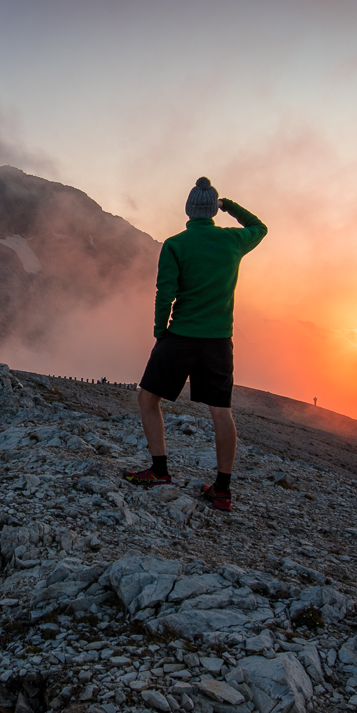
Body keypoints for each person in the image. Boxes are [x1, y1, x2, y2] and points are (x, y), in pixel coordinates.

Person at [123, 177, 267, 511]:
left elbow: (166, 293)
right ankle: (222, 490)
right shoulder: (234, 240)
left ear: (189, 210)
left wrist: (161, 332)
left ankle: (159, 471)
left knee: (147, 398)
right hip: (218, 340)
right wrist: (228, 205)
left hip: (181, 336)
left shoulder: (175, 245)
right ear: (212, 210)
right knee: (221, 411)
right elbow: (259, 226)